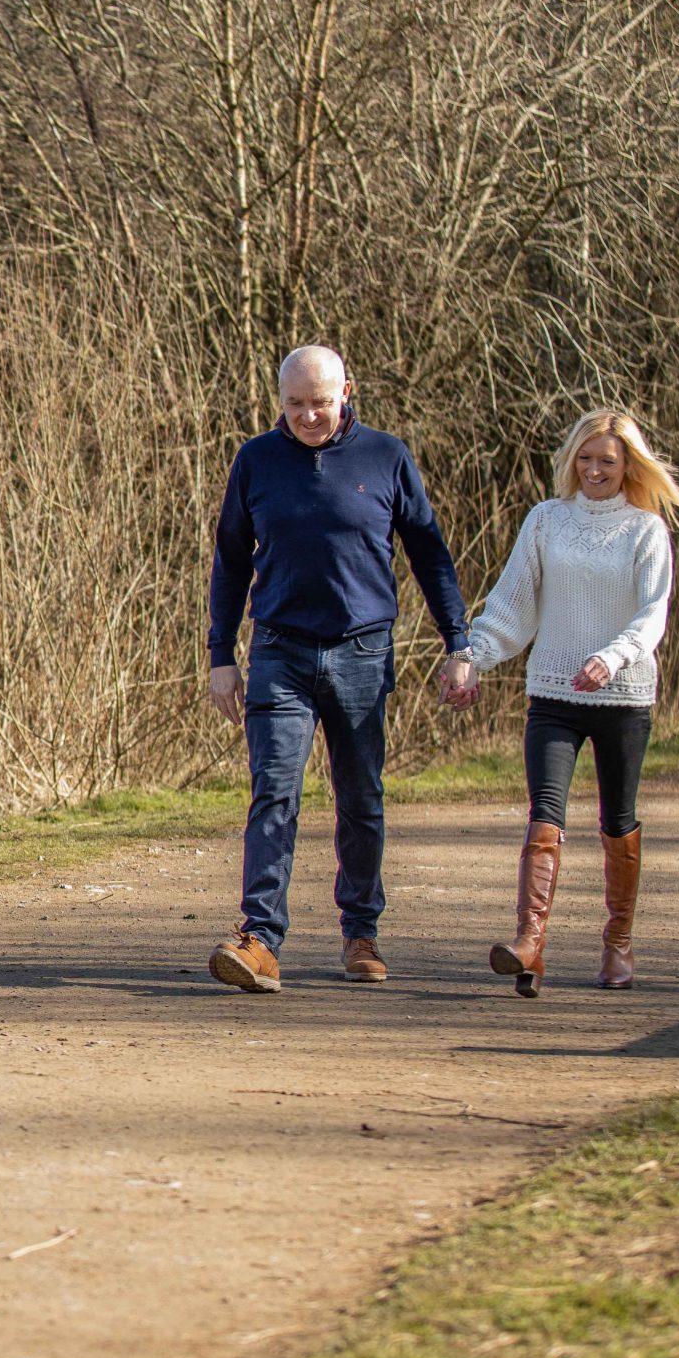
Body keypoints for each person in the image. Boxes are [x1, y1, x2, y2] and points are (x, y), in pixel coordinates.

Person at [206, 347, 475, 994]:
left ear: (347, 392)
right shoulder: (256, 460)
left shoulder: (387, 456)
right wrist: (220, 655)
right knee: (274, 790)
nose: (307, 416)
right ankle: (260, 940)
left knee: (360, 797)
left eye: (320, 403)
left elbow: (429, 554)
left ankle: (361, 930)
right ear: (279, 400)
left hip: (361, 652)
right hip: (279, 650)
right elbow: (230, 560)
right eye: (294, 404)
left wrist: (459, 643)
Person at [461, 409, 679, 995]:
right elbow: (512, 605)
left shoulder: (646, 531)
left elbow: (653, 615)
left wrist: (611, 658)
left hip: (623, 697)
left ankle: (618, 944)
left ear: (627, 465)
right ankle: (529, 945)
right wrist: (472, 658)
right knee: (544, 815)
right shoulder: (545, 520)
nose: (594, 470)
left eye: (606, 461)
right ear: (570, 461)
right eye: (584, 459)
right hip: (553, 695)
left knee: (618, 819)